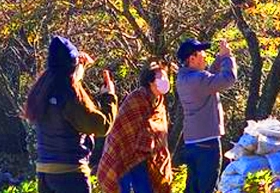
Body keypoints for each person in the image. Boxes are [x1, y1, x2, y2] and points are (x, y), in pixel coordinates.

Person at [24, 35, 119, 193]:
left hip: (45, 173)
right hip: (70, 174)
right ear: (71, 67)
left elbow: (69, 82)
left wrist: (80, 67)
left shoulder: (42, 90)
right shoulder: (69, 96)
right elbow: (102, 126)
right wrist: (109, 97)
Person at [97, 63, 173, 193]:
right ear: (150, 81)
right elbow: (123, 130)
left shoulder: (159, 103)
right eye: (161, 77)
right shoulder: (136, 99)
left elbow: (159, 135)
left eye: (166, 77)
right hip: (124, 156)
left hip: (146, 159)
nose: (165, 80)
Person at [175, 38, 237, 193]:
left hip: (192, 143)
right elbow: (228, 79)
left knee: (193, 188)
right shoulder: (198, 80)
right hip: (207, 142)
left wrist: (220, 58)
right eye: (201, 52)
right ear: (192, 58)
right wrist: (227, 57)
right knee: (207, 188)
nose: (205, 56)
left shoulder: (184, 78)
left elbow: (209, 77)